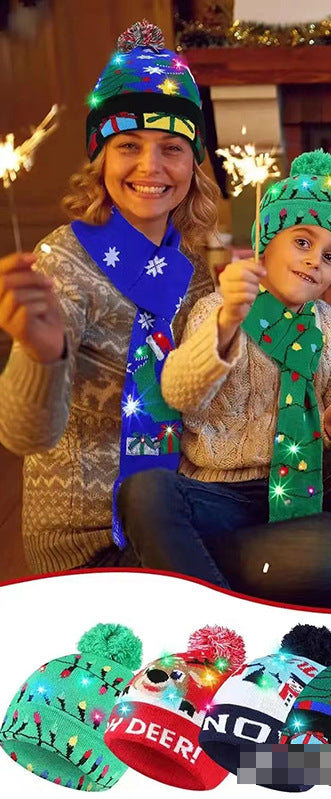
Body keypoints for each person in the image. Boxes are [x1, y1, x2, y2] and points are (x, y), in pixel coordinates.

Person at [119, 150, 331, 605]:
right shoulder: (217, 309)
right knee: (144, 491)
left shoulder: (328, 325)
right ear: (266, 242)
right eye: (302, 242)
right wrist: (229, 322)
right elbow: (179, 393)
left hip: (307, 477)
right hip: (226, 496)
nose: (315, 261)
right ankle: (213, 609)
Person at [0, 21, 220, 574]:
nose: (151, 168)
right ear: (102, 158)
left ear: (193, 165)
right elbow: (25, 433)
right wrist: (40, 355)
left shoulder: (196, 270)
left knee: (330, 559)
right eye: (128, 146)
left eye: (171, 148)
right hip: (90, 536)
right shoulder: (62, 263)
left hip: (184, 509)